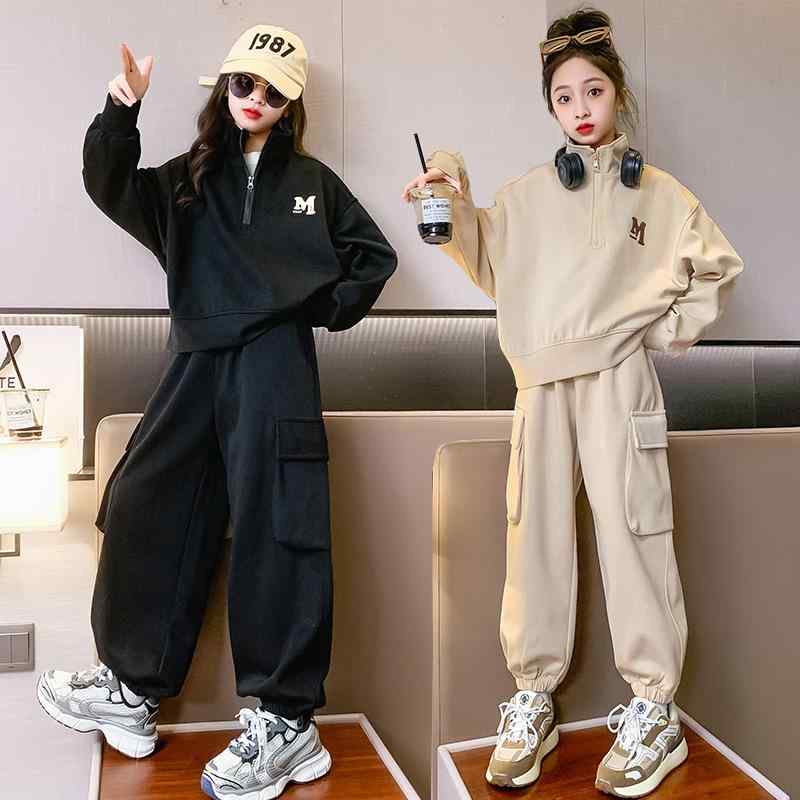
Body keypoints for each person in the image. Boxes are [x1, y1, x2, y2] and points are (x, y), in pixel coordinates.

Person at [37, 23, 397, 800]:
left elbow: (375, 259)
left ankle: (287, 723)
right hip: (195, 358)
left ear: (291, 103)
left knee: (279, 525)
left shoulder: (314, 184)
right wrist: (121, 109)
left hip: (275, 363)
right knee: (147, 499)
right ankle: (132, 690)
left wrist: (312, 308)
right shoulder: (186, 180)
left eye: (273, 90)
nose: (256, 98)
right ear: (224, 89)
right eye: (244, 83)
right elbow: (108, 183)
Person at [402, 7, 743, 797]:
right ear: (551, 108)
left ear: (618, 94)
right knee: (535, 540)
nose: (581, 107)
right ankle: (533, 699)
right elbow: (480, 253)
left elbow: (718, 269)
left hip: (620, 383)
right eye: (564, 96)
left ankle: (654, 710)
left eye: (594, 90)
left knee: (636, 534)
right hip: (539, 388)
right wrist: (446, 178)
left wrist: (659, 331)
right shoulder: (524, 198)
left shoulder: (659, 195)